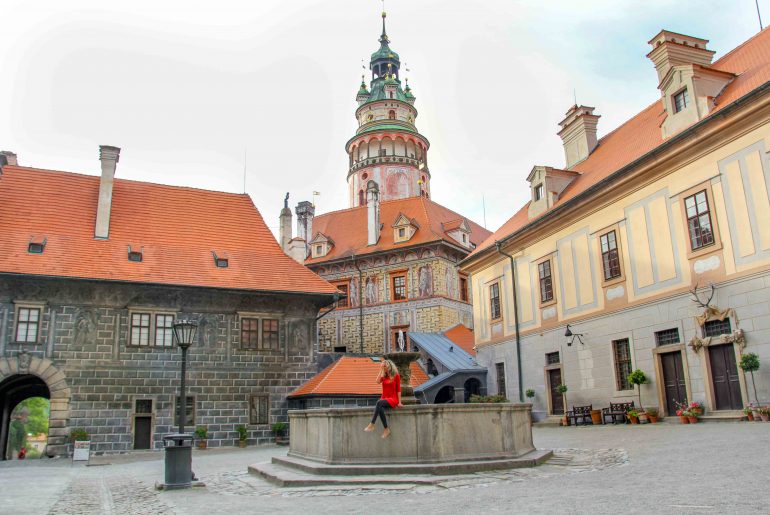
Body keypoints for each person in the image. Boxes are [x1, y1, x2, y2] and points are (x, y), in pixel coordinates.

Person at [364, 358, 402, 438]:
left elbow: (398, 389)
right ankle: (386, 429)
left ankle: (372, 424)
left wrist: (400, 402)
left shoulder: (396, 375)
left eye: (384, 366)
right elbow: (377, 381)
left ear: (389, 367)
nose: (383, 368)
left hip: (393, 399)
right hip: (384, 398)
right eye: (382, 366)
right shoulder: (383, 376)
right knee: (379, 407)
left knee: (379, 402)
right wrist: (381, 371)